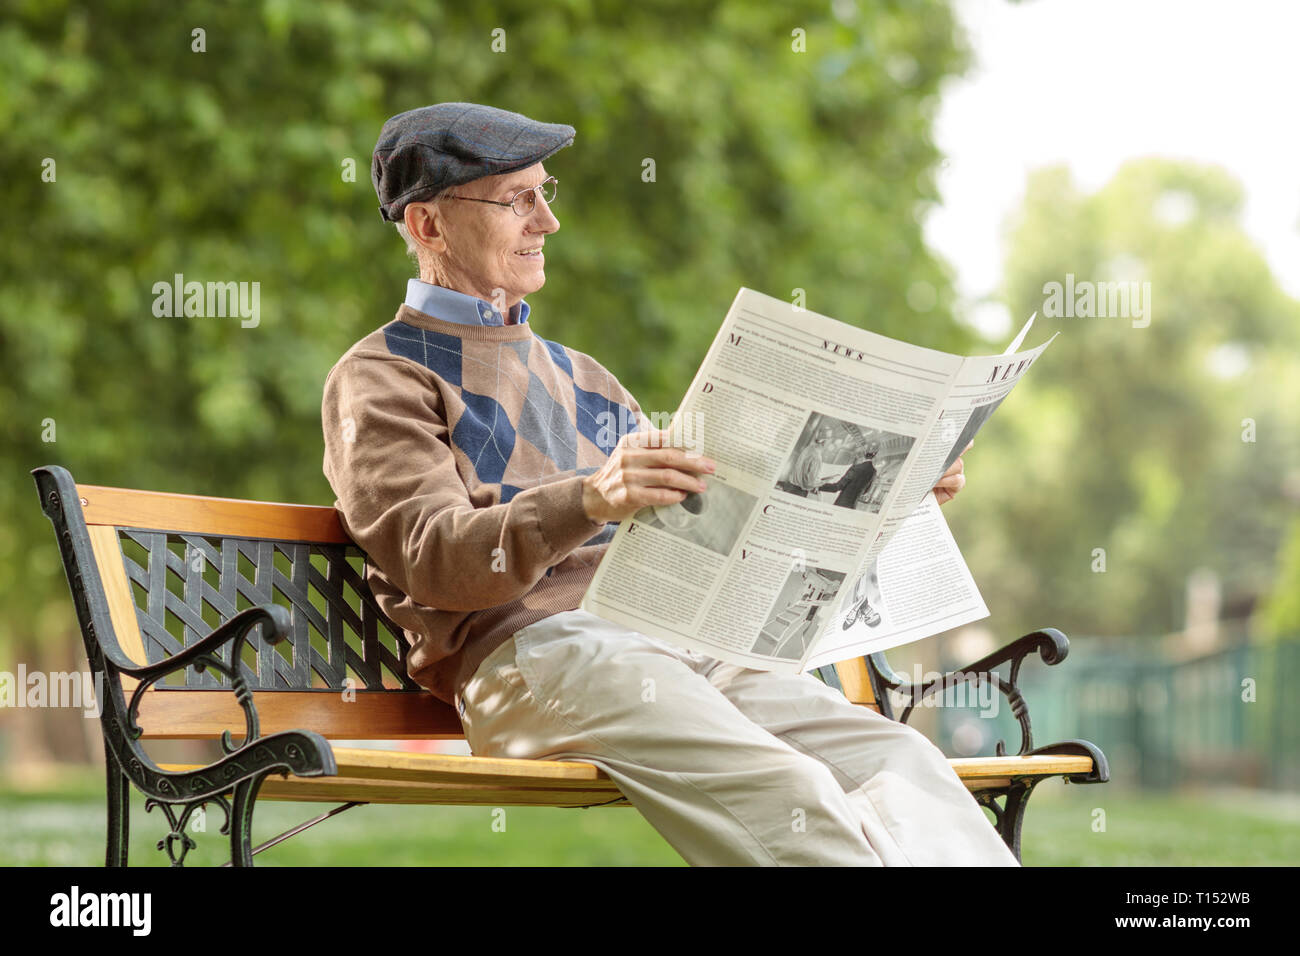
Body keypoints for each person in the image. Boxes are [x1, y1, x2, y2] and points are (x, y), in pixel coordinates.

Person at [321, 102, 1008, 866]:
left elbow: (713, 531)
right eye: (518, 199)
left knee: (902, 764)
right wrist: (588, 499)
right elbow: (432, 558)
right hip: (533, 657)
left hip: (672, 643)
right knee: (791, 791)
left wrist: (882, 494)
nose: (547, 221)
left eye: (547, 194)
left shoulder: (582, 374)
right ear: (427, 226)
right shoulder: (380, 376)